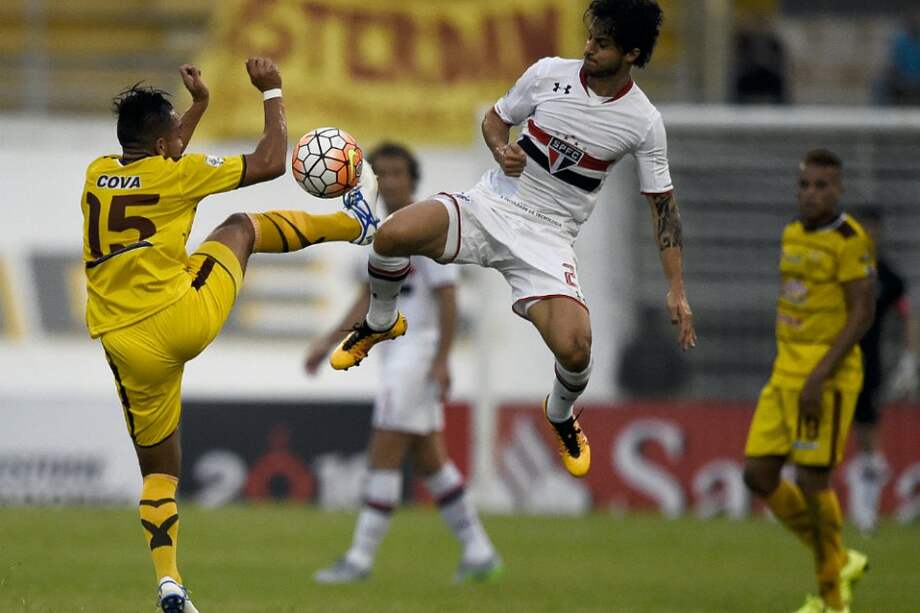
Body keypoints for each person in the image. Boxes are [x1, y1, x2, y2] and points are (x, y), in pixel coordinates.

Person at [327, 0, 696, 480]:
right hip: (490, 206)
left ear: (631, 53)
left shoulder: (643, 122)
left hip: (547, 238)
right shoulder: (548, 74)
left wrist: (676, 287)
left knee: (576, 348)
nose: (588, 48)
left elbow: (662, 205)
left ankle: (561, 412)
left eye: (602, 44)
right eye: (590, 37)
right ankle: (379, 322)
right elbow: (495, 119)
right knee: (392, 234)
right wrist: (501, 149)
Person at [81, 59, 380, 612]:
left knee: (159, 472)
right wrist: (272, 90)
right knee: (242, 227)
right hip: (180, 318)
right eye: (176, 133)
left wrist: (195, 109)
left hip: (126, 348)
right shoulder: (178, 175)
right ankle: (358, 225)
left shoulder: (97, 173)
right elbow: (269, 161)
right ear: (165, 141)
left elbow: (160, 153)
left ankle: (168, 580)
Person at [305, 143, 502, 584]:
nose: (390, 181)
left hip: (416, 355)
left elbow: (448, 296)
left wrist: (442, 360)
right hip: (396, 355)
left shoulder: (427, 227)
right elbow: (366, 296)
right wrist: (328, 341)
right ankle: (479, 552)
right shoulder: (378, 230)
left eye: (398, 173)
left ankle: (358, 559)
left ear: (412, 179)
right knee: (430, 461)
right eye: (383, 173)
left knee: (384, 452)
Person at [742, 150, 875, 613]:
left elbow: (863, 311)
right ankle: (840, 559)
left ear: (838, 190)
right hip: (785, 373)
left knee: (813, 480)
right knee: (758, 474)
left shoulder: (849, 239)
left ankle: (832, 600)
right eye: (805, 185)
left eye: (822, 186)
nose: (812, 193)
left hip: (826, 376)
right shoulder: (792, 232)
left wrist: (820, 373)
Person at [846, 206, 918, 535]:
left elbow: (907, 314)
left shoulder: (886, 276)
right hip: (829, 360)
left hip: (866, 364)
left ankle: (866, 512)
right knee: (824, 432)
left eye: (872, 230)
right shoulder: (838, 267)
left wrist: (910, 358)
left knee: (867, 435)